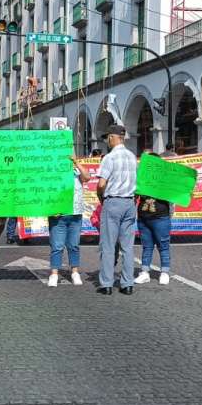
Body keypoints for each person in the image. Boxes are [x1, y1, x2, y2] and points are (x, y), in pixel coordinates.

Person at [96, 124, 138, 296]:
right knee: (127, 246)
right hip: (129, 203)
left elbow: (101, 184)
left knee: (108, 244)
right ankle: (127, 283)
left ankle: (106, 284)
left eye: (108, 138)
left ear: (113, 137)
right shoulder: (132, 157)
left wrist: (101, 197)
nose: (107, 140)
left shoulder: (109, 158)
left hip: (113, 202)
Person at [48, 156, 92, 287]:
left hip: (75, 214)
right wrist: (50, 209)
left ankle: (75, 272)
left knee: (74, 245)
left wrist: (76, 163)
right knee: (57, 246)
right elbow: (46, 194)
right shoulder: (51, 173)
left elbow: (87, 177)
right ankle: (54, 273)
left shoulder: (76, 172)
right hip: (58, 215)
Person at [135, 149, 175, 286]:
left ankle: (164, 272)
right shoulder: (140, 178)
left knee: (163, 246)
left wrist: (169, 216)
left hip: (160, 217)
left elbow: (173, 198)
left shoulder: (165, 179)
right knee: (147, 246)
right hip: (143, 217)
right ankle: (145, 272)